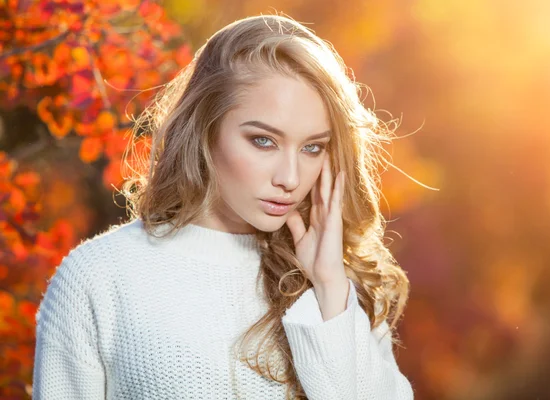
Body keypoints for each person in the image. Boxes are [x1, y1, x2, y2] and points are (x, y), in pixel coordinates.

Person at [32, 14, 414, 400]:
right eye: (263, 141)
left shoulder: (340, 282)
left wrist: (330, 288)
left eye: (312, 147)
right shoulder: (97, 278)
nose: (290, 178)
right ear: (205, 127)